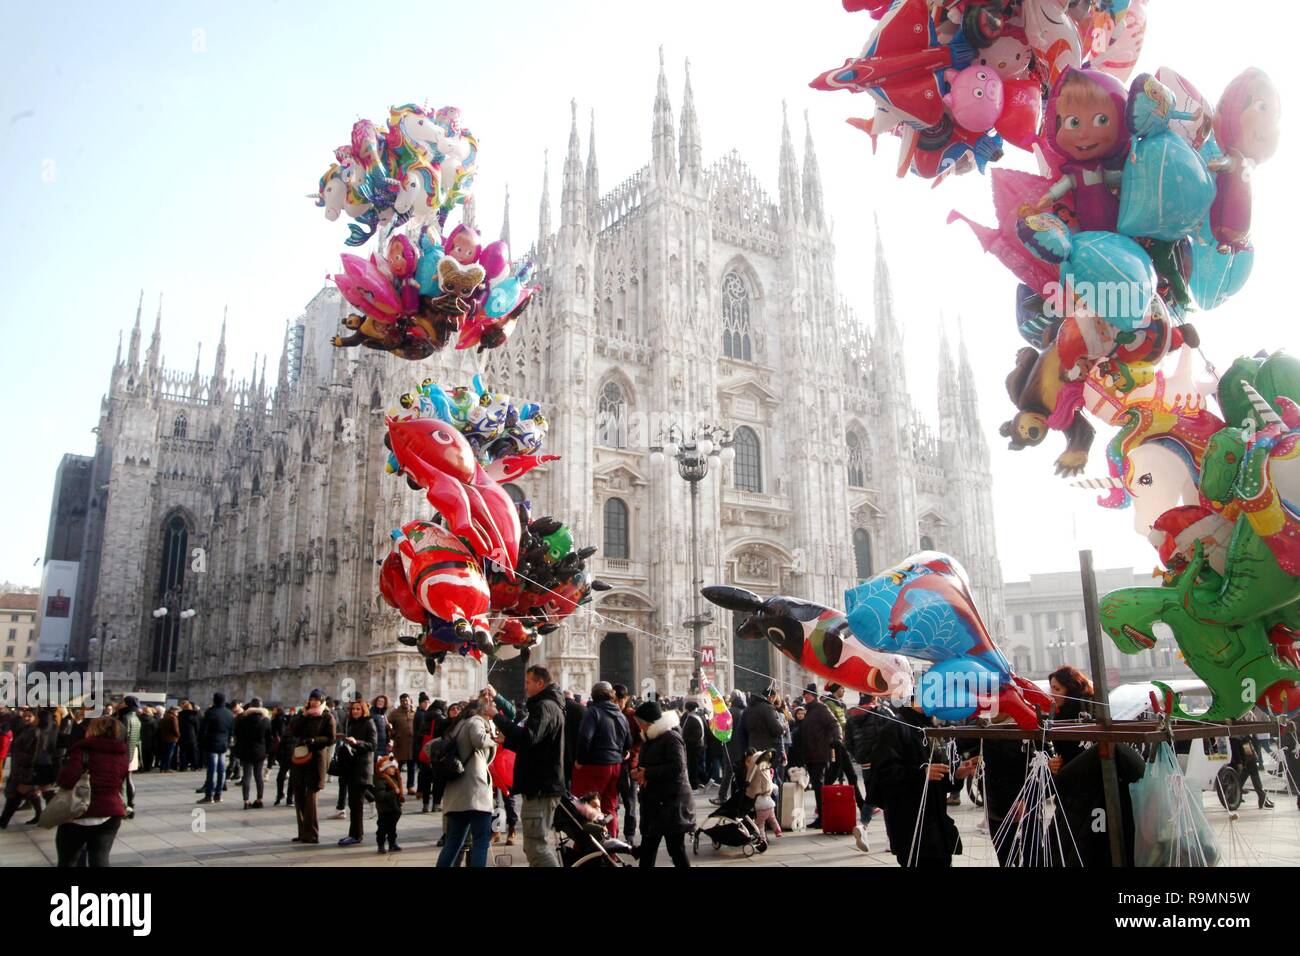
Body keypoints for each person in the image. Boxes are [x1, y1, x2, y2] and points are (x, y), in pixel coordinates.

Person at [869, 697, 977, 867]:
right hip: (909, 824)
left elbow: (940, 772)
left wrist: (956, 773)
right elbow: (883, 775)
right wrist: (921, 773)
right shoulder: (895, 727)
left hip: (936, 822)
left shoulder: (930, 728)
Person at [487, 666, 564, 867]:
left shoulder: (544, 706)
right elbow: (533, 741)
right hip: (541, 784)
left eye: (528, 682)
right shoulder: (549, 705)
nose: (525, 686)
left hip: (540, 785)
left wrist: (496, 715)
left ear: (540, 683)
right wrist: (508, 740)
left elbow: (528, 737)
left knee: (536, 847)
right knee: (535, 845)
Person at [54, 716, 131, 867]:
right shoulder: (122, 754)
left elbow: (67, 780)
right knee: (100, 858)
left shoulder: (82, 750)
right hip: (110, 813)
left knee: (68, 860)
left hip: (78, 812)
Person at [629, 699, 693, 868]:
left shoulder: (671, 737)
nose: (639, 727)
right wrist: (641, 773)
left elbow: (678, 766)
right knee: (649, 848)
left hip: (671, 803)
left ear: (648, 723)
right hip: (656, 802)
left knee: (675, 849)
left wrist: (647, 773)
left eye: (639, 723)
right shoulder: (652, 738)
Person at [437, 698, 499, 867]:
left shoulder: (457, 726)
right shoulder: (476, 721)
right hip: (476, 794)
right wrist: (495, 740)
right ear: (483, 709)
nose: (494, 710)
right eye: (492, 707)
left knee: (453, 842)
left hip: (457, 796)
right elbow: (479, 740)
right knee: (481, 841)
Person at [571, 681, 630, 837]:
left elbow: (585, 738)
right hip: (616, 765)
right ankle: (611, 846)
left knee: (587, 806)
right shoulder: (620, 714)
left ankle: (588, 846)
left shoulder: (593, 712)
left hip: (595, 765)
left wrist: (580, 760)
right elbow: (628, 742)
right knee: (610, 807)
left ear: (593, 695)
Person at [288, 689, 336, 844]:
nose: (313, 702)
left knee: (311, 800)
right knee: (299, 797)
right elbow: (293, 730)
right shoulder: (303, 715)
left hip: (316, 760)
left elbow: (331, 738)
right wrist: (302, 716)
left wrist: (315, 741)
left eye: (316, 699)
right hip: (300, 759)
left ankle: (312, 834)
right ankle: (302, 832)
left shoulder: (327, 716)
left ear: (321, 701)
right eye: (311, 699)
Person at [800, 686, 841, 828]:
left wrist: (837, 740)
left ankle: (823, 817)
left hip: (820, 753)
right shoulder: (810, 710)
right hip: (811, 754)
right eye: (805, 694)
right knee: (818, 787)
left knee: (820, 786)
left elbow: (834, 724)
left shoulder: (821, 708)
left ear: (815, 695)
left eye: (809, 694)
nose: (806, 696)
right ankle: (821, 817)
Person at [338, 697, 377, 846]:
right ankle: (353, 833)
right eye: (353, 709)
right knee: (353, 803)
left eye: (357, 709)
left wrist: (357, 742)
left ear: (363, 710)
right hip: (351, 767)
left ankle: (356, 835)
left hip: (362, 768)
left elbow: (372, 745)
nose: (355, 711)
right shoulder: (351, 723)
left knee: (357, 804)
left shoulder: (369, 723)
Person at [844, 693, 884, 829]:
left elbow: (848, 742)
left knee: (871, 792)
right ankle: (889, 837)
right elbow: (887, 734)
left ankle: (863, 825)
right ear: (873, 699)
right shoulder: (879, 714)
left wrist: (857, 756)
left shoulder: (851, 716)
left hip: (864, 761)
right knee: (887, 794)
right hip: (880, 760)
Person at [0, 709, 41, 827]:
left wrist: (29, 773)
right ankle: (40, 816)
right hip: (18, 768)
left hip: (25, 770)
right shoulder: (24, 729)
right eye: (25, 716)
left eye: (29, 716)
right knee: (30, 794)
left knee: (14, 796)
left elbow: (34, 754)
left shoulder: (35, 732)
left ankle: (3, 821)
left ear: (35, 717)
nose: (26, 718)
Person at [1048, 665, 1094, 767]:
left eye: (1057, 689)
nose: (1052, 694)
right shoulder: (1056, 713)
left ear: (1070, 689)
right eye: (1051, 689)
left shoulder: (1088, 709)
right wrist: (1054, 763)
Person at [614, 684, 642, 841]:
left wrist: (632, 753)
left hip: (630, 764)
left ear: (626, 699)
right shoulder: (611, 713)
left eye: (620, 700)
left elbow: (640, 739)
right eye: (615, 700)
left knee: (630, 802)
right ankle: (613, 831)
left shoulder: (632, 715)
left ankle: (629, 835)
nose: (618, 703)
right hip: (614, 763)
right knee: (613, 801)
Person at [196, 692, 234, 804]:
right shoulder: (229, 713)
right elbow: (231, 730)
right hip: (223, 745)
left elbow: (203, 730)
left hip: (211, 744)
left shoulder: (210, 712)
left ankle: (209, 795)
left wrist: (202, 743)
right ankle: (218, 794)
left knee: (212, 770)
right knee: (221, 770)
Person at [234, 698, 272, 809]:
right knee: (258, 776)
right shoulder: (266, 721)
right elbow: (269, 738)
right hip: (260, 751)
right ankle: (259, 799)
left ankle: (246, 801)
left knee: (247, 775)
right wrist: (267, 751)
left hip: (246, 751)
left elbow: (238, 736)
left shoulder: (242, 720)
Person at [715, 691, 748, 805]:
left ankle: (722, 796)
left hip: (729, 745)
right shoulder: (744, 712)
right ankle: (739, 795)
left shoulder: (729, 712)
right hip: (742, 746)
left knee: (728, 771)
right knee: (740, 771)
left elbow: (722, 728)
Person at [373, 752, 405, 853]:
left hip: (394, 808)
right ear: (384, 768)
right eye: (390, 767)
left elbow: (398, 793)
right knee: (382, 828)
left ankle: (392, 843)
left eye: (393, 767)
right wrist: (393, 793)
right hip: (384, 809)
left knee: (392, 828)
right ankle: (381, 844)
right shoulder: (380, 780)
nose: (393, 769)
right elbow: (380, 796)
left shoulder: (395, 779)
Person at [390, 693, 417, 795]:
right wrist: (393, 734)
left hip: (412, 744)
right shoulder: (394, 713)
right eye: (402, 701)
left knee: (412, 766)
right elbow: (389, 727)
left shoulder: (415, 712)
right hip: (400, 743)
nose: (405, 702)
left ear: (410, 701)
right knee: (398, 766)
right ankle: (395, 785)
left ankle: (410, 786)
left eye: (406, 700)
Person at [680, 699, 707, 791]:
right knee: (695, 764)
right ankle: (700, 781)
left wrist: (685, 740)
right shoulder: (695, 717)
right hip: (697, 745)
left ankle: (695, 783)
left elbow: (697, 735)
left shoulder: (692, 719)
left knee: (693, 765)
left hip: (694, 746)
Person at [562, 689, 585, 789]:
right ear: (573, 697)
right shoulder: (582, 709)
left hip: (561, 749)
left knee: (563, 779)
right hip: (577, 750)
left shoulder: (558, 708)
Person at [178, 700, 200, 771]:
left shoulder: (180, 715)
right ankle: (194, 766)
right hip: (192, 735)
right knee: (193, 751)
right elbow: (197, 726)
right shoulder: (194, 715)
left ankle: (183, 766)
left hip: (182, 735)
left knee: (183, 751)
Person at [158, 706, 180, 772]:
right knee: (169, 754)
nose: (178, 713)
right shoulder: (173, 718)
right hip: (172, 738)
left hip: (164, 738)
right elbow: (175, 729)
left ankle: (162, 767)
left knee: (164, 754)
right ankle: (167, 768)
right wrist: (178, 736)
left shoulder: (165, 716)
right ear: (174, 710)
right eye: (177, 711)